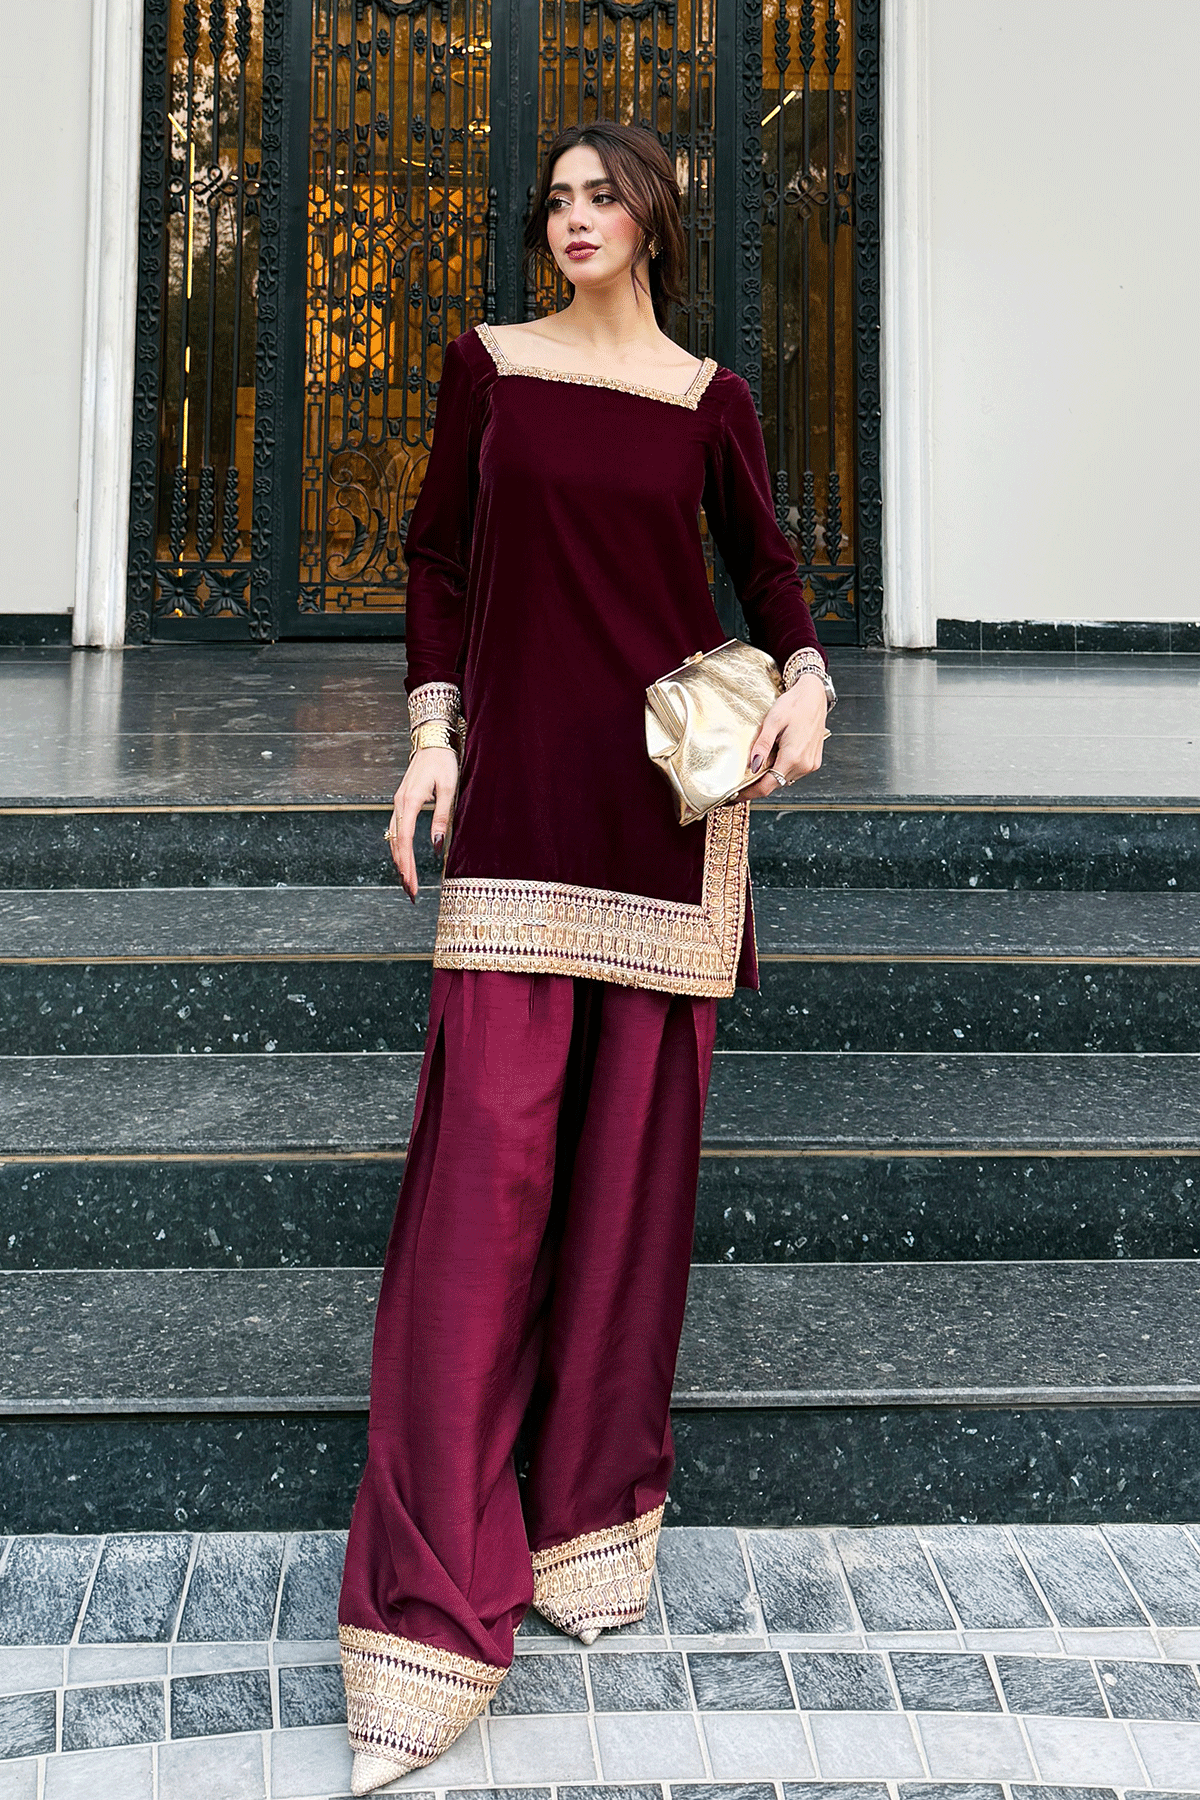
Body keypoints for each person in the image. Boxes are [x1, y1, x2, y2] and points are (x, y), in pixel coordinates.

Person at [336, 119, 835, 1794]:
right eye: (555, 198)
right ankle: (429, 1605)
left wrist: (810, 685)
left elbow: (769, 575)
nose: (573, 217)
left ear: (654, 218)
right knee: (481, 1199)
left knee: (628, 1202)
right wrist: (431, 741)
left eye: (601, 195)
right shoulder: (489, 368)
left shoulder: (709, 400)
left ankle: (589, 1525)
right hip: (518, 822)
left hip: (664, 832)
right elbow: (436, 560)